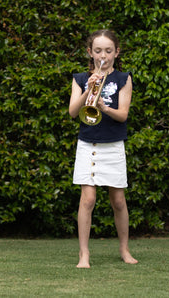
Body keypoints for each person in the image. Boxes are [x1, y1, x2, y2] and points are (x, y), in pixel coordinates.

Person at [68, 29, 138, 268]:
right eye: (98, 51)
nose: (103, 56)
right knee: (87, 199)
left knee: (118, 201)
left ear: (116, 52)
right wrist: (89, 89)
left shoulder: (123, 78)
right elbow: (73, 112)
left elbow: (123, 115)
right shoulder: (79, 78)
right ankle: (84, 254)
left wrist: (104, 108)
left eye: (108, 51)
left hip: (114, 145)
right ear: (90, 52)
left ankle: (124, 249)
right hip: (88, 145)